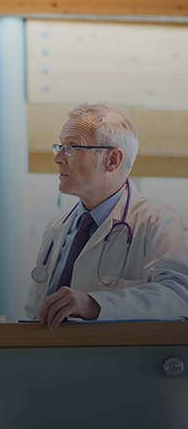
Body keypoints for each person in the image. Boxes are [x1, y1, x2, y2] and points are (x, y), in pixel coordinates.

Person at [25, 103, 188, 329]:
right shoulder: (58, 227)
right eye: (59, 146)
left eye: (72, 147)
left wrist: (94, 304)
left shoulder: (158, 223)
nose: (58, 158)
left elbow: (180, 296)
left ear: (112, 160)